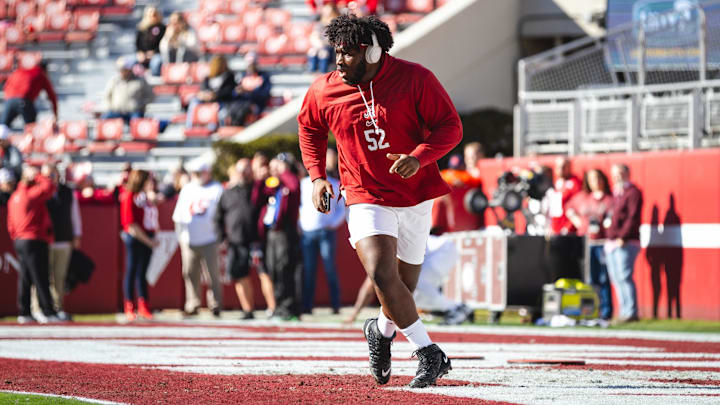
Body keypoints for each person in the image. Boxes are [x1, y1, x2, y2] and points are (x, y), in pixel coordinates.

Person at [298, 15, 462, 388]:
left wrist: (419, 156)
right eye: (336, 53)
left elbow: (450, 126)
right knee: (381, 273)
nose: (339, 61)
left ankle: (381, 330)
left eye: (348, 54)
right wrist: (317, 177)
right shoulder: (324, 89)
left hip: (415, 196)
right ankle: (429, 353)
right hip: (364, 195)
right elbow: (309, 128)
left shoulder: (416, 78)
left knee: (402, 286)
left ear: (372, 51)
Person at [30, 163, 82, 322]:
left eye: (53, 174)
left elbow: (74, 214)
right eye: (47, 175)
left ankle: (57, 308)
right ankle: (37, 308)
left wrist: (77, 234)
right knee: (41, 276)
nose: (51, 178)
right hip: (44, 240)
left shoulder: (67, 191)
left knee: (59, 277)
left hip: (63, 239)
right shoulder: (38, 191)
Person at [7, 165, 59, 323]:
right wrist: (38, 176)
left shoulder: (14, 197)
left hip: (20, 240)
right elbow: (49, 186)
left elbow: (10, 224)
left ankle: (24, 312)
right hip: (34, 239)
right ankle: (47, 311)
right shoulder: (31, 195)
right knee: (40, 276)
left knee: (25, 277)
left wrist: (17, 236)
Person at [172, 162, 224, 317]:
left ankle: (215, 304)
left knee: (212, 274)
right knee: (189, 273)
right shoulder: (187, 189)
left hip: (210, 238)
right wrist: (181, 238)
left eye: (200, 172)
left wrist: (220, 236)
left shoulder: (217, 188)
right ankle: (192, 304)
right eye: (195, 172)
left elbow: (221, 215)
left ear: (208, 172)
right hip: (189, 239)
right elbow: (178, 216)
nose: (197, 176)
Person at [299, 149, 346, 314]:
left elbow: (342, 209)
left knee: (329, 268)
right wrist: (301, 224)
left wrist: (332, 224)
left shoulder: (335, 183)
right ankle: (307, 306)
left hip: (326, 232)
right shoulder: (304, 183)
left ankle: (335, 305)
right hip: (308, 233)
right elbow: (299, 206)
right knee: (309, 269)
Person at [566, 169, 614, 320]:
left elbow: (612, 216)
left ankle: (605, 311)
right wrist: (578, 222)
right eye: (592, 179)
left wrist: (607, 225)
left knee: (603, 278)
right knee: (589, 279)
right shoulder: (582, 198)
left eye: (598, 178)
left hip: (601, 242)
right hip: (586, 242)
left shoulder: (608, 199)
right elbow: (568, 208)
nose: (595, 182)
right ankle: (590, 310)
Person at [215, 159, 259, 320]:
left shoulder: (257, 189)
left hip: (256, 240)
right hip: (236, 240)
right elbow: (218, 217)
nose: (243, 173)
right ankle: (248, 309)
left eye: (247, 169)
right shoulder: (228, 193)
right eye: (241, 170)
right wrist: (222, 238)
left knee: (264, 274)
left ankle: (269, 307)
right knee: (239, 275)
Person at [261, 153, 301, 320]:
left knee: (285, 269)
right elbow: (261, 193)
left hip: (286, 231)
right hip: (273, 232)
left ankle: (289, 307)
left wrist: (283, 171)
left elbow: (293, 187)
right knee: (274, 269)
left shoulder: (291, 180)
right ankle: (278, 305)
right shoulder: (275, 183)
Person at [605, 163, 643, 323]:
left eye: (620, 173)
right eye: (614, 173)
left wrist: (623, 236)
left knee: (625, 276)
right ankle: (623, 311)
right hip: (612, 240)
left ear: (627, 173)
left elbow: (632, 217)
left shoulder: (632, 192)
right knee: (616, 278)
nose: (617, 176)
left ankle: (631, 312)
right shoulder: (615, 193)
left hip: (625, 241)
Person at [120, 170, 159, 321]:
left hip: (146, 237)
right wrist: (149, 241)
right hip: (135, 238)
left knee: (142, 273)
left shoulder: (145, 197)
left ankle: (143, 305)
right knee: (132, 270)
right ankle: (129, 305)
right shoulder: (129, 195)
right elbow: (131, 225)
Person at [250, 152, 278, 316]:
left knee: (275, 270)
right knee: (264, 272)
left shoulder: (272, 182)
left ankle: (277, 304)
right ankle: (271, 305)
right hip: (258, 236)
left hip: (274, 233)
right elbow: (255, 201)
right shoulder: (254, 184)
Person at [1, 61, 58, 127]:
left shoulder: (19, 71)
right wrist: (55, 114)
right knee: (32, 127)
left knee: (3, 127)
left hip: (9, 100)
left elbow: (6, 85)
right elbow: (52, 96)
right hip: (24, 100)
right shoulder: (41, 74)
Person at [186, 56, 236, 129]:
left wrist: (215, 95)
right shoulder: (208, 77)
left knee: (220, 113)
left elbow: (228, 91)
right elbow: (203, 89)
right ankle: (189, 127)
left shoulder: (229, 76)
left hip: (221, 101)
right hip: (207, 100)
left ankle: (213, 127)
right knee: (194, 101)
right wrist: (205, 95)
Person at [103, 58, 154, 123]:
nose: (123, 72)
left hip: (134, 112)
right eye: (121, 70)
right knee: (104, 120)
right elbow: (107, 95)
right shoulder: (114, 81)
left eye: (125, 69)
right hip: (116, 112)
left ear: (130, 70)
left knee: (137, 122)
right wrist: (110, 107)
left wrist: (142, 105)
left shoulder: (140, 81)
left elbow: (150, 95)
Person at [548, 156, 582, 235]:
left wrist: (568, 227)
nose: (561, 170)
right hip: (555, 228)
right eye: (559, 167)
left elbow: (577, 209)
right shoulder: (556, 184)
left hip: (568, 230)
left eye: (563, 167)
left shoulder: (575, 184)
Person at [232, 54, 272, 121]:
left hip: (257, 104)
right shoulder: (243, 76)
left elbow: (265, 93)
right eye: (249, 63)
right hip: (243, 103)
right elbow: (235, 93)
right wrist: (238, 92)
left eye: (253, 63)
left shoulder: (264, 77)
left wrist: (249, 92)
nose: (251, 66)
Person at [307, 4, 339, 74]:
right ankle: (313, 71)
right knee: (312, 51)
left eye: (329, 13)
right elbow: (315, 35)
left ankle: (323, 73)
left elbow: (335, 39)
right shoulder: (320, 24)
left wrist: (324, 45)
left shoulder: (336, 24)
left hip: (331, 47)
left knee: (324, 53)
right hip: (321, 45)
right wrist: (319, 45)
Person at [136, 6, 166, 76]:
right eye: (151, 15)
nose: (153, 17)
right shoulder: (142, 29)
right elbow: (138, 44)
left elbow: (163, 44)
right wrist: (140, 53)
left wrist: (154, 52)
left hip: (158, 54)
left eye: (155, 14)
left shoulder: (162, 28)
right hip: (143, 54)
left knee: (156, 62)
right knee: (127, 62)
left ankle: (154, 82)